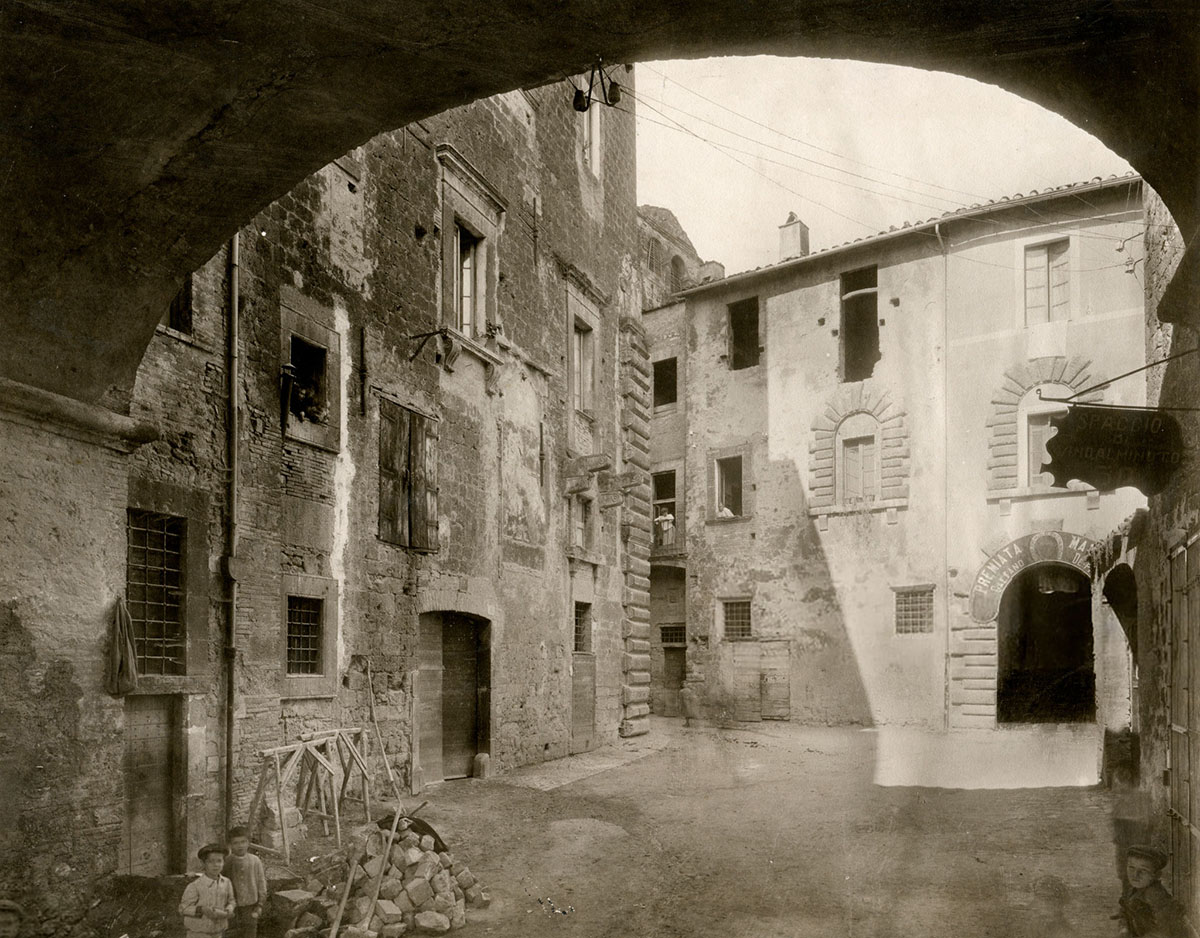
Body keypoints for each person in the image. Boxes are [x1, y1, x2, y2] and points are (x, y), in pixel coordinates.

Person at [1117, 845, 1186, 938]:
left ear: (1157, 875)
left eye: (1143, 870)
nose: (1135, 874)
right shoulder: (1133, 889)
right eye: (1131, 867)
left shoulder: (1155, 896)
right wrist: (1124, 928)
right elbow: (1125, 910)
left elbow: (1164, 932)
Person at [179, 844, 236, 937]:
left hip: (218, 931)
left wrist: (229, 909)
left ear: (223, 863)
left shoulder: (226, 882)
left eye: (219, 861)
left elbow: (231, 900)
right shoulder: (195, 886)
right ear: (203, 864)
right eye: (211, 861)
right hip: (198, 932)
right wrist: (201, 909)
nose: (216, 865)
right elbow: (183, 909)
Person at [224, 826, 268, 938]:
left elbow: (261, 883)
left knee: (250, 931)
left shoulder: (255, 861)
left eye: (243, 842)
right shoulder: (228, 861)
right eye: (236, 843)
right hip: (233, 905)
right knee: (232, 931)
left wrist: (260, 904)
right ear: (230, 845)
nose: (240, 846)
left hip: (251, 904)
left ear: (248, 842)